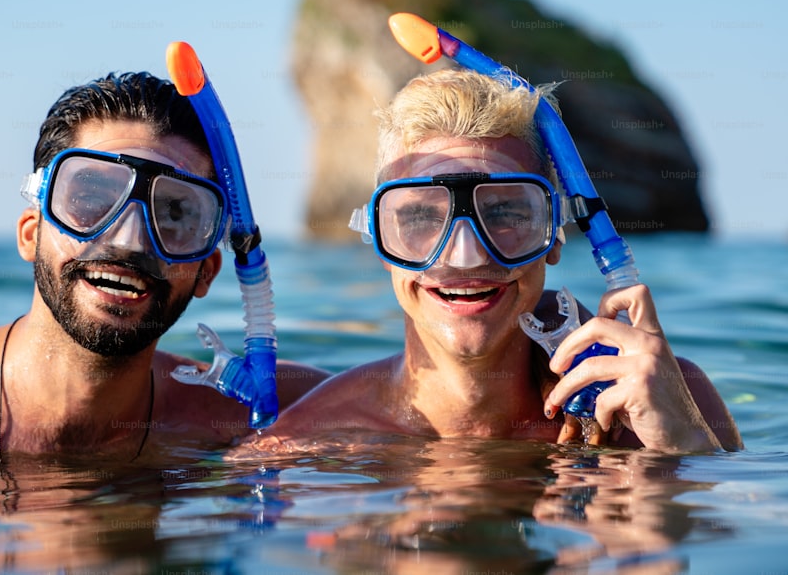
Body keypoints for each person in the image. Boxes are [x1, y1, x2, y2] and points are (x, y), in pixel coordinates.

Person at [0, 72, 328, 464]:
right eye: (92, 197)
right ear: (30, 232)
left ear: (207, 270)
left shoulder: (264, 414)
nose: (129, 238)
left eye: (176, 214)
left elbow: (405, 408)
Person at [248, 68, 741, 454]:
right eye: (420, 217)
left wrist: (686, 446)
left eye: (505, 211)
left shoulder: (671, 397)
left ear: (553, 236)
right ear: (382, 243)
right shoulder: (308, 444)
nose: (466, 256)